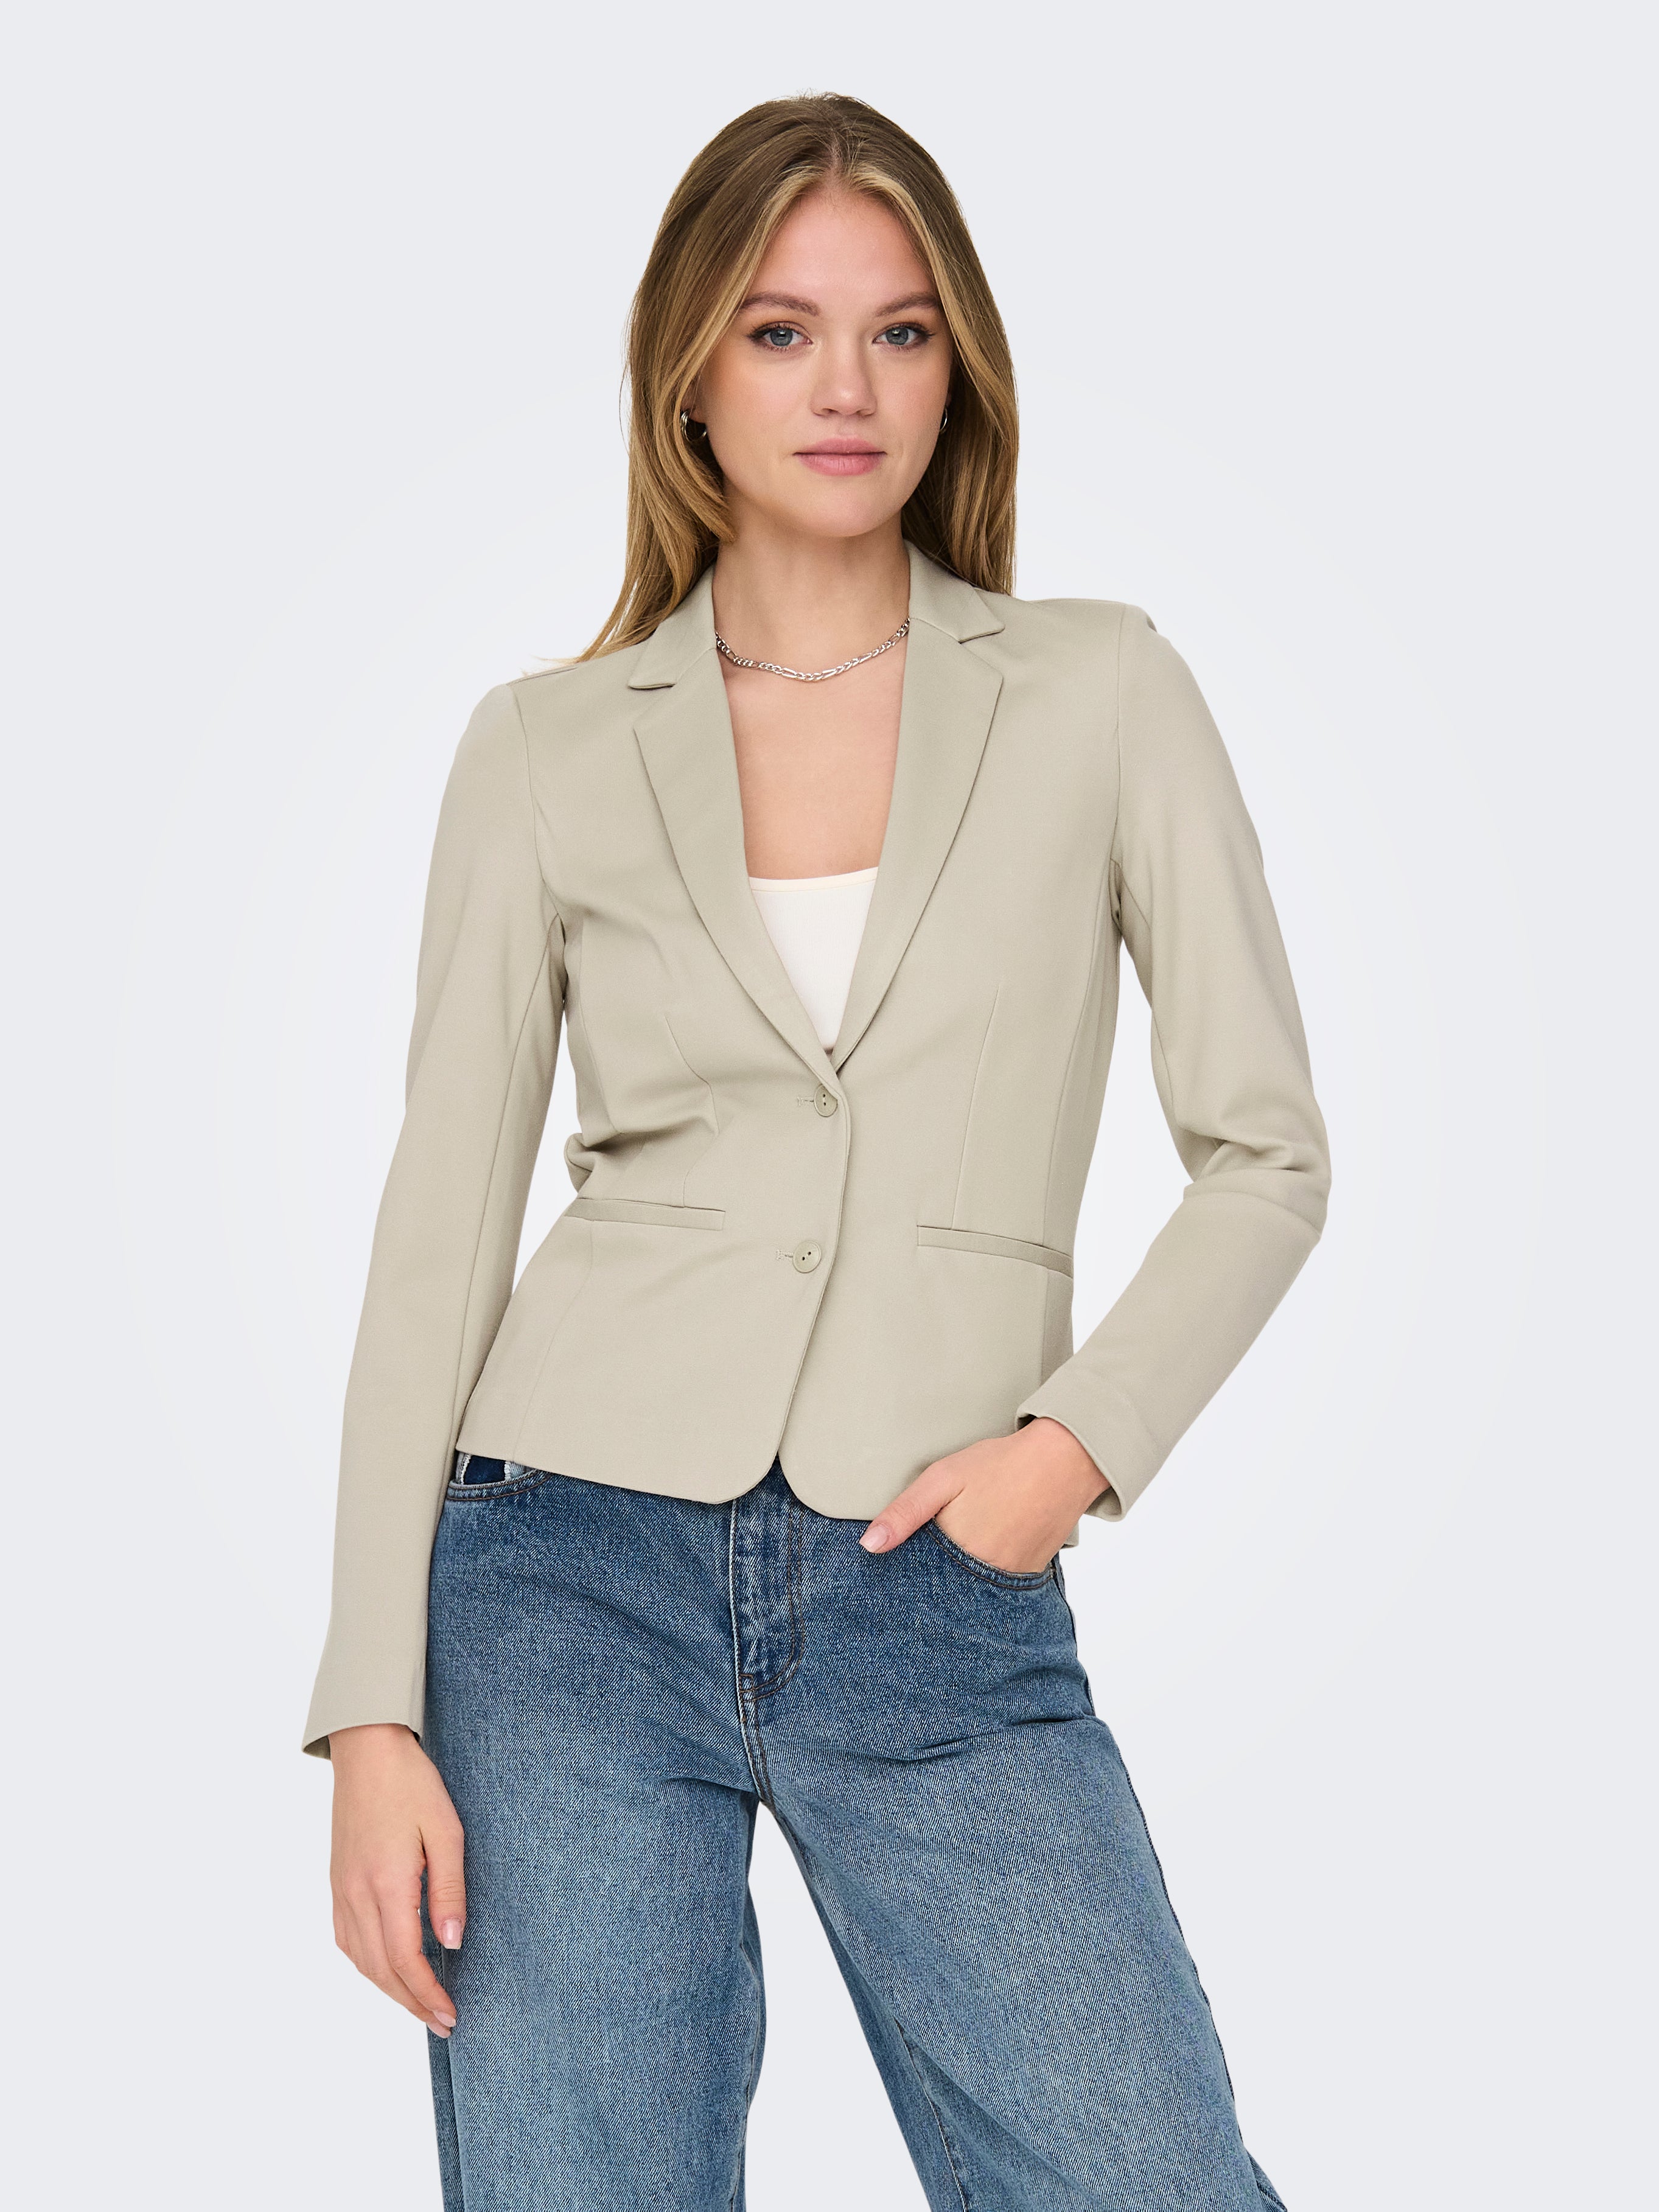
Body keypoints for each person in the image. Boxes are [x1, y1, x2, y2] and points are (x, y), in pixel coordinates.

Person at [309, 91, 1329, 2212]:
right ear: (690, 372)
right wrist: (371, 1709)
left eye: (900, 329)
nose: (845, 385)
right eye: (781, 331)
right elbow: (438, 1232)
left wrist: (1071, 1447)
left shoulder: (1103, 692)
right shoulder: (543, 747)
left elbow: (1266, 1151)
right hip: (562, 1570)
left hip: (938, 1569)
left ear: (961, 368)